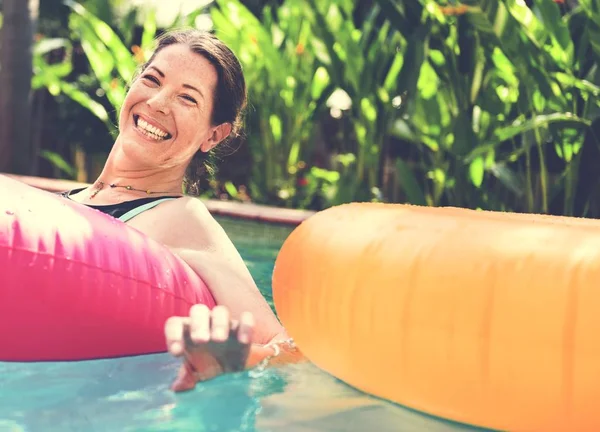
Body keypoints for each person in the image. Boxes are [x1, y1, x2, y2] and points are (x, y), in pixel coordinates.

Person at [59, 28, 302, 391]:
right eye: (152, 79)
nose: (157, 103)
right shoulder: (65, 199)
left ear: (213, 135)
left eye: (187, 99)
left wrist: (231, 360)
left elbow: (289, 352)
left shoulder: (183, 220)